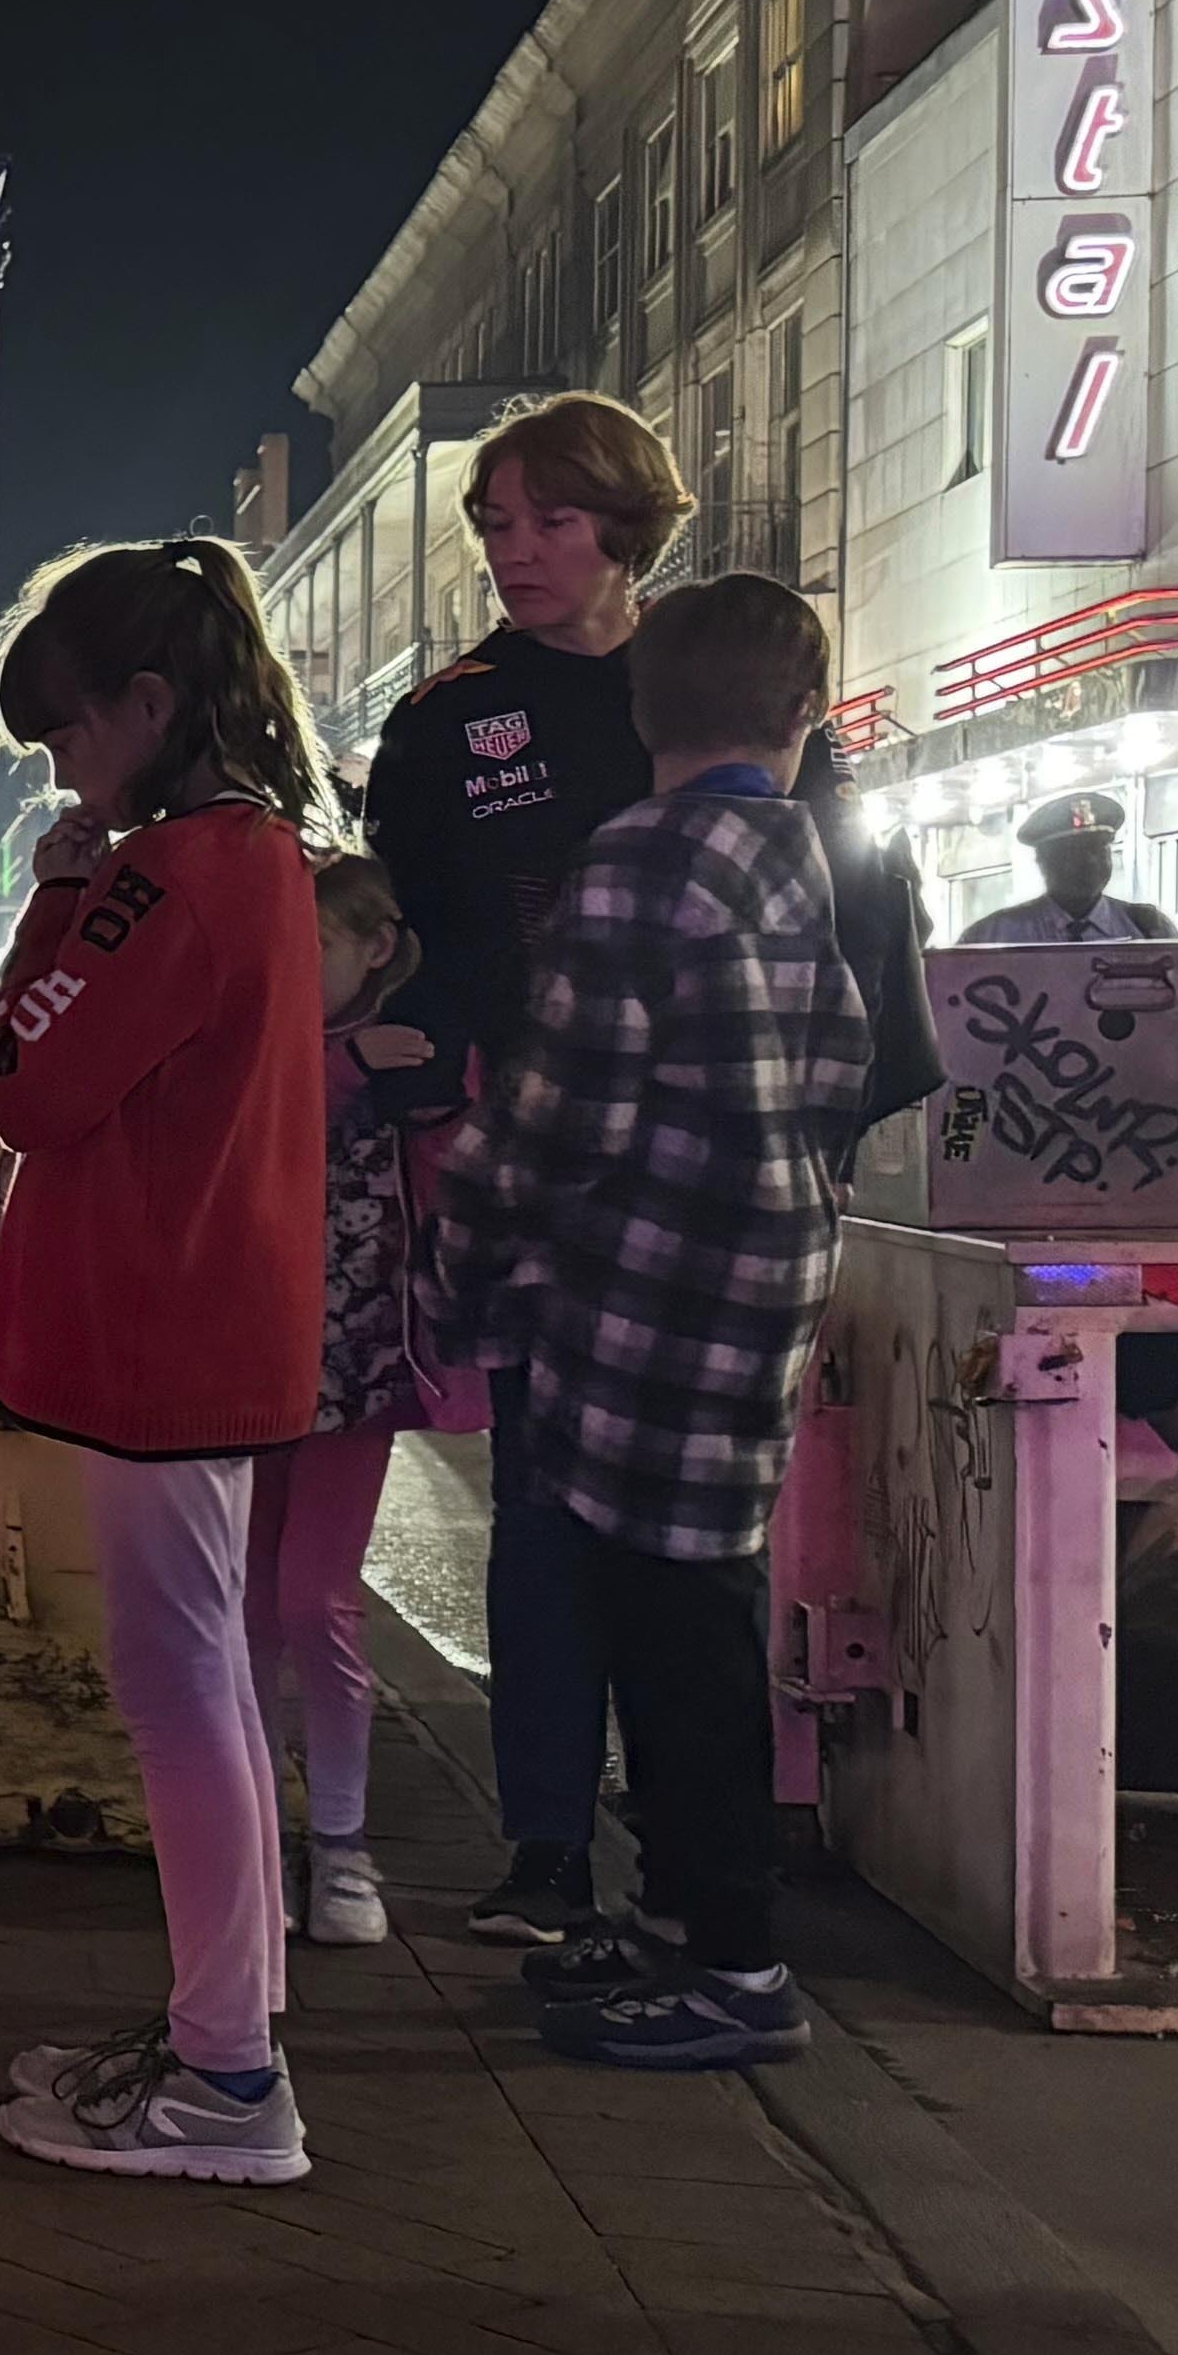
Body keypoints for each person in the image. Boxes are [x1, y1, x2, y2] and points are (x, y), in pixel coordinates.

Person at [360, 390, 925, 1952]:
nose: (516, 552)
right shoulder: (447, 721)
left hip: (704, 1205)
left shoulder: (729, 689)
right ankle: (554, 1848)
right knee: (544, 1522)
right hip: (551, 1185)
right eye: (493, 524)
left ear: (630, 529)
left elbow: (867, 958)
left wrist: (806, 1165)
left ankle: (703, 1893)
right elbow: (403, 937)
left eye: (550, 521)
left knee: (689, 1565)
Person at [442, 573, 871, 2072]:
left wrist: (467, 1263)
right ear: (802, 720)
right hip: (764, 1271)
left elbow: (561, 1112)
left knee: (671, 1624)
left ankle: (737, 1967)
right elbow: (845, 1058)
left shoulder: (636, 856)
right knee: (693, 1603)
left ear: (639, 711)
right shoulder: (791, 849)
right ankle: (692, 1921)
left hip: (648, 1291)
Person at [0, 543, 331, 2184]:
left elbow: (23, 1078)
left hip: (159, 1323)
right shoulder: (252, 859)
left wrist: (54, 886)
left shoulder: (161, 874)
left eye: (68, 734)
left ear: (145, 705)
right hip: (210, 1313)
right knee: (204, 1680)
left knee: (182, 1683)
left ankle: (227, 2076)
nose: (59, 766)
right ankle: (217, 2035)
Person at [245, 852, 472, 1952]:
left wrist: (346, 1067)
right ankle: (250, 1835)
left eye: (317, 947)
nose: (293, 966)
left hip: (362, 1359)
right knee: (248, 1601)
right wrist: (336, 1058)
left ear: (376, 946)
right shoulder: (309, 1046)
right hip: (251, 1358)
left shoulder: (422, 1059)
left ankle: (339, 1842)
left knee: (308, 1599)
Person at [961, 790, 1177, 944]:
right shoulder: (994, 936)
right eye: (1074, 852)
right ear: (1043, 860)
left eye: (1099, 848)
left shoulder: (1149, 929)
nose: (1090, 861)